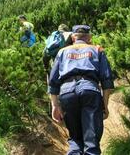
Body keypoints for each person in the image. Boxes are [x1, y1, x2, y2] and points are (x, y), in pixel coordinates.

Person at [48, 25, 114, 155]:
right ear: (89, 37)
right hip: (90, 91)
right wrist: (105, 105)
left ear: (73, 37)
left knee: (75, 140)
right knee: (91, 142)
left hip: (67, 93)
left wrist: (55, 105)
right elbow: (107, 81)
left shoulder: (62, 52)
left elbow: (53, 82)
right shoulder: (97, 49)